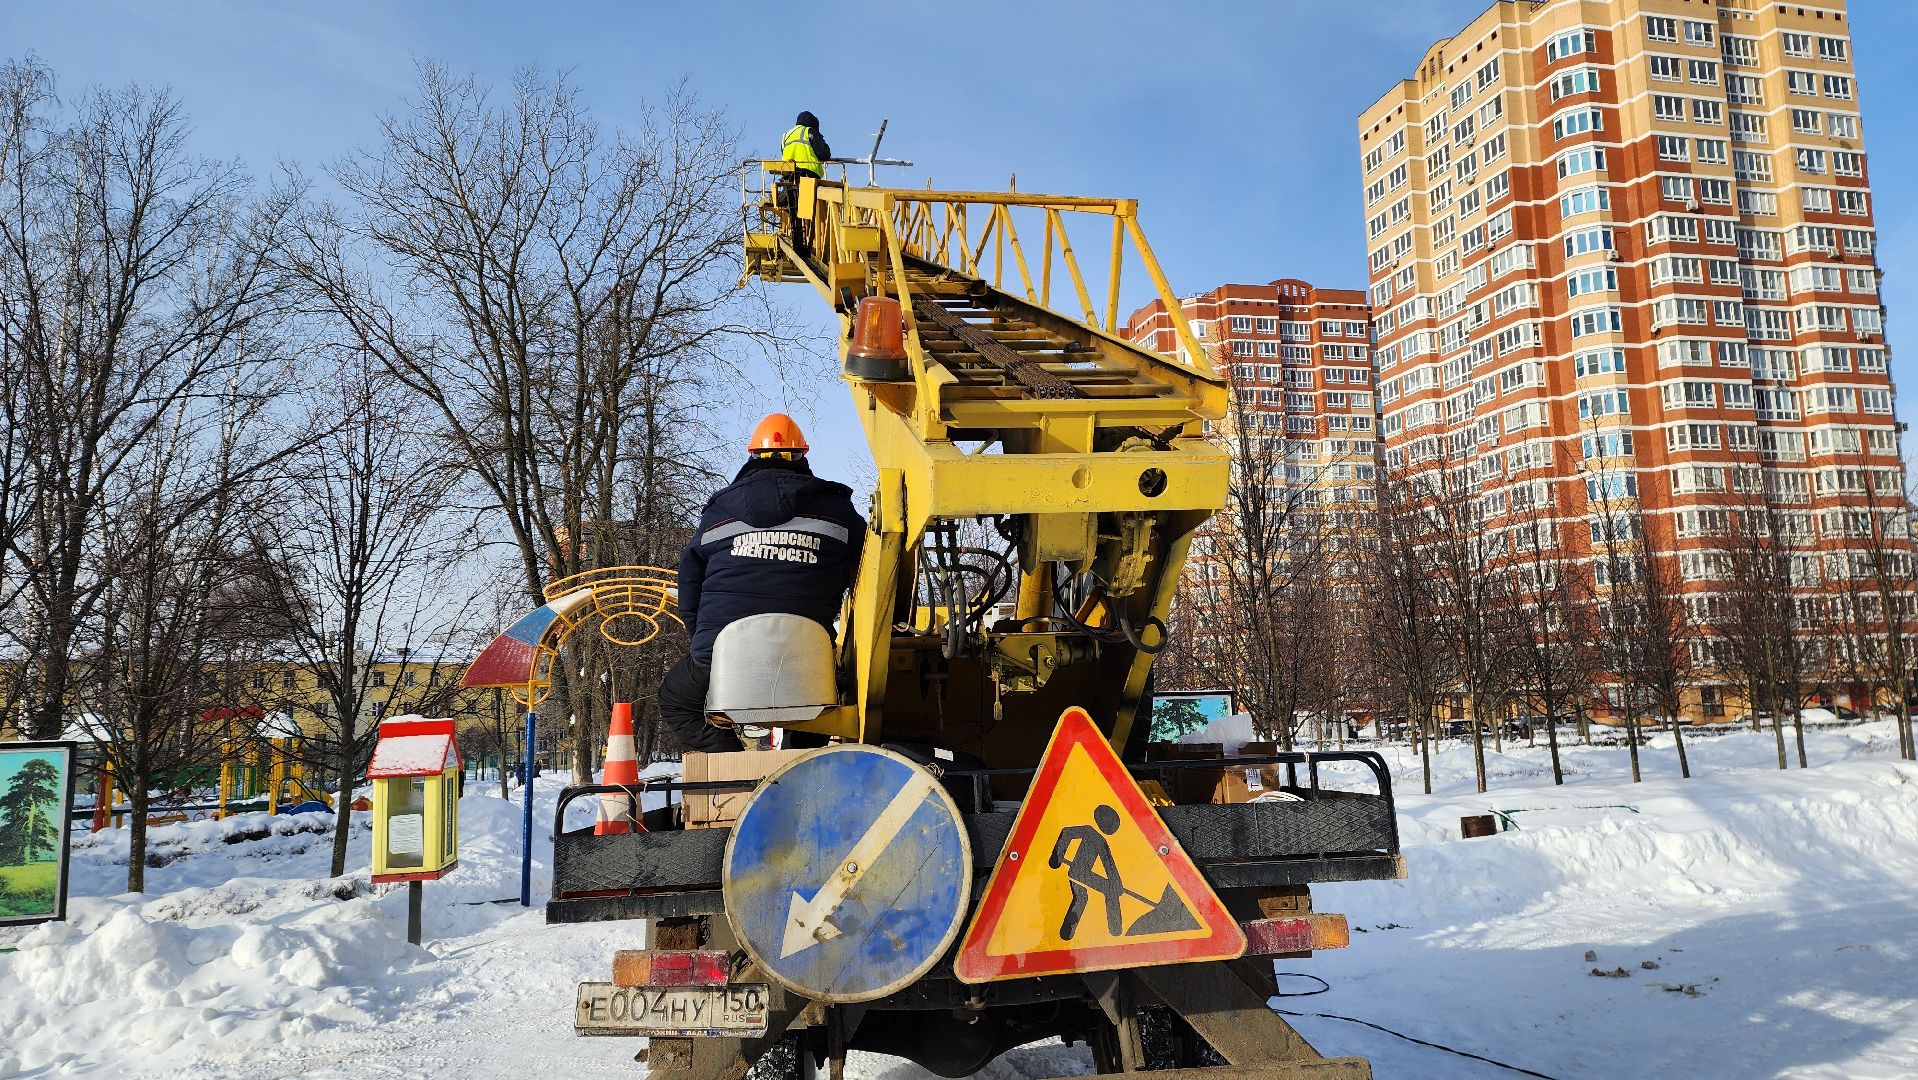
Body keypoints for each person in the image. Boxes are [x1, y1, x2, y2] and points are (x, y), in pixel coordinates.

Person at [658, 413, 865, 754]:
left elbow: (689, 586)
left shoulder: (719, 510)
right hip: (807, 652)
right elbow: (865, 574)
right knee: (817, 709)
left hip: (721, 649)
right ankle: (798, 767)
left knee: (676, 702)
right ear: (803, 456)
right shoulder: (837, 509)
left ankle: (734, 763)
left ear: (751, 455)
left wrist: (705, 646)